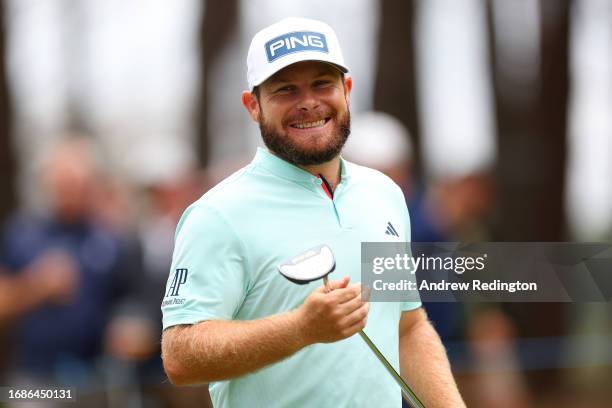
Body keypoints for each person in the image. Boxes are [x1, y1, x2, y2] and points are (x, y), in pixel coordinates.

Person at [161, 17, 465, 408]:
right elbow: (180, 356)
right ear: (253, 106)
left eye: (322, 83)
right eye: (286, 89)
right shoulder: (217, 214)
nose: (308, 102)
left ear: (347, 90)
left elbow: (407, 328)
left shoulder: (384, 195)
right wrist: (301, 328)